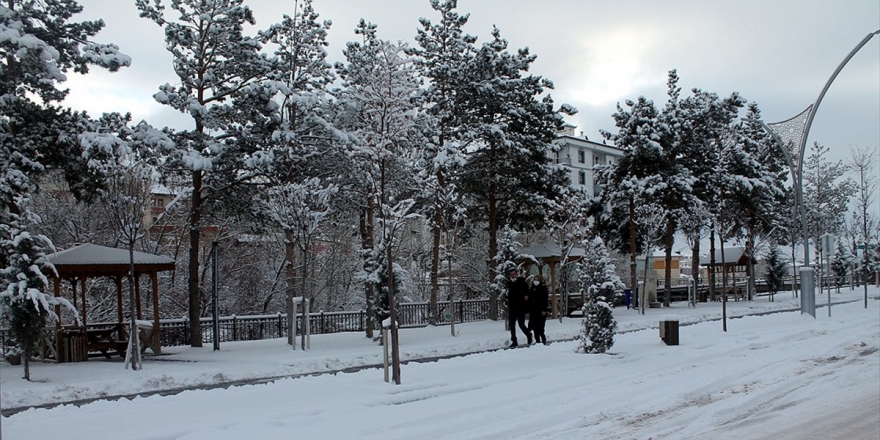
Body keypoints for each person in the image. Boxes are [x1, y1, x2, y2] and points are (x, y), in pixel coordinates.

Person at [505, 268, 532, 347]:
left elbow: (527, 292)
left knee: (521, 324)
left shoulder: (522, 282)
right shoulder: (509, 283)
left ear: (516, 274)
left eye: (514, 274)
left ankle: (528, 334)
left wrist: (526, 297)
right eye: (511, 275)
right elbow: (508, 295)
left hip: (521, 307)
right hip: (512, 308)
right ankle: (514, 340)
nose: (512, 276)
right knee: (512, 325)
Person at [529, 274, 550, 345]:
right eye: (535, 280)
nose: (536, 281)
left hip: (541, 310)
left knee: (541, 327)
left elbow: (545, 300)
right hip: (533, 311)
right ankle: (537, 340)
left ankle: (543, 339)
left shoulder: (543, 289)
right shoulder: (532, 288)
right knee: (535, 327)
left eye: (537, 280)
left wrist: (544, 310)